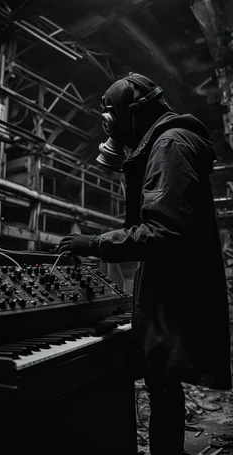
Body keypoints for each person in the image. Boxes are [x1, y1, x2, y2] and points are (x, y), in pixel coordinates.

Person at [57, 73, 232, 455]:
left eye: (114, 117)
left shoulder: (169, 145)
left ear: (133, 114)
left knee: (163, 386)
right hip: (171, 289)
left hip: (173, 292)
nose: (113, 127)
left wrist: (94, 244)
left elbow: (163, 231)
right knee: (162, 385)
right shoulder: (169, 143)